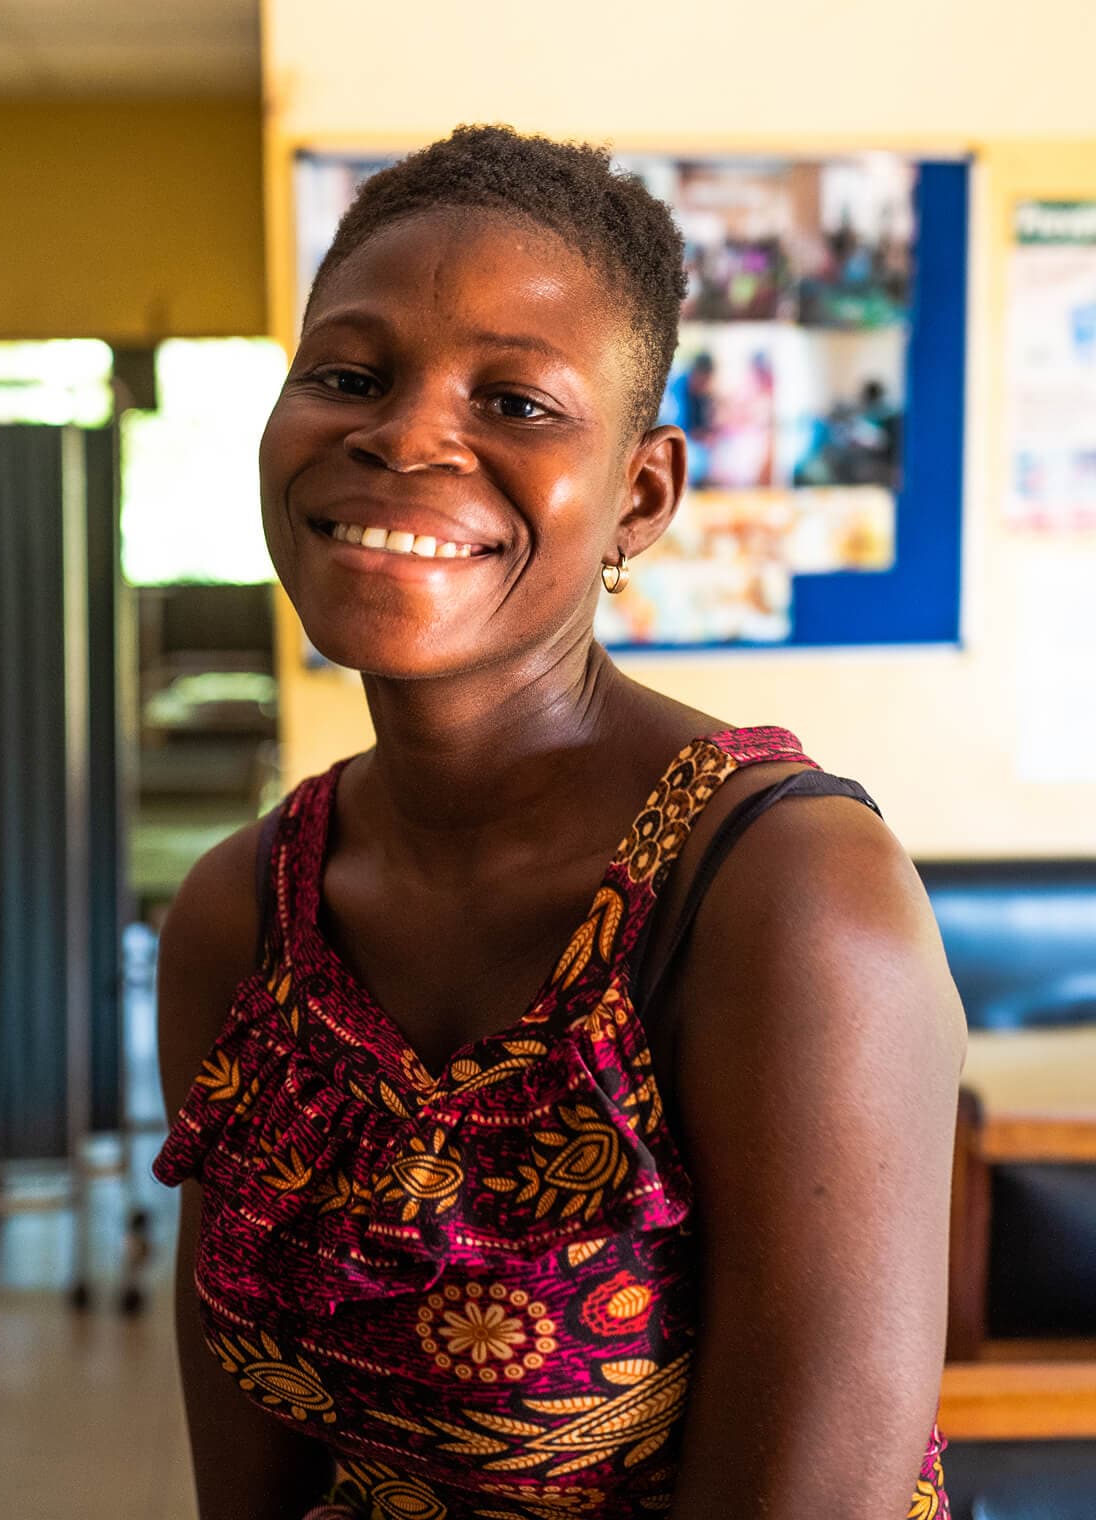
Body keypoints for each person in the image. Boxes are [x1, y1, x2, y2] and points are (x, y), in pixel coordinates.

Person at [155, 125, 965, 1520]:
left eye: (518, 403)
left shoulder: (783, 897)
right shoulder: (245, 915)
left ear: (640, 495)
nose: (401, 434)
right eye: (347, 375)